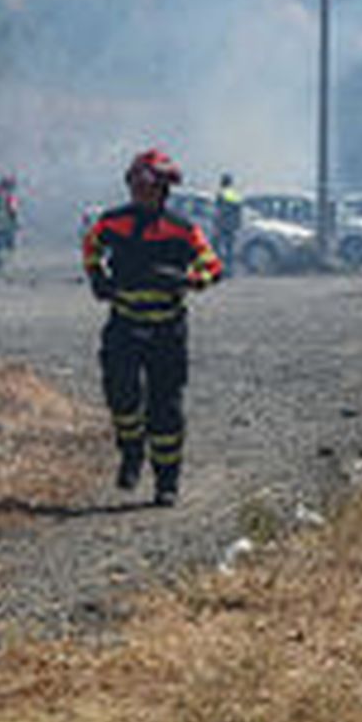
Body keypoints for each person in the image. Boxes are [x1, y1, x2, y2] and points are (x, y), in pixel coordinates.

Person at [81, 148, 223, 506]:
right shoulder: (112, 222)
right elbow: (91, 244)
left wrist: (186, 279)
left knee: (166, 410)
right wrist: (97, 276)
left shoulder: (183, 230)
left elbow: (213, 267)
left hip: (167, 332)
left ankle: (166, 482)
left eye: (149, 186)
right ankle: (131, 452)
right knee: (122, 397)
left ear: (163, 189)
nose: (142, 192)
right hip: (124, 326)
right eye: (137, 185)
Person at [214, 172, 244, 269]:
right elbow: (238, 210)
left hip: (223, 225)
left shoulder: (221, 194)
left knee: (217, 247)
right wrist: (237, 224)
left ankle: (218, 267)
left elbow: (219, 211)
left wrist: (217, 224)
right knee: (229, 248)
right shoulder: (235, 194)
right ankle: (229, 268)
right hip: (232, 225)